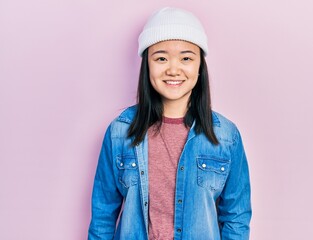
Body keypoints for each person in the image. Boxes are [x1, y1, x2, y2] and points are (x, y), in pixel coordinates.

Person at [88, 7, 252, 240]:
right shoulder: (119, 132)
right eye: (161, 58)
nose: (173, 69)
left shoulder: (226, 136)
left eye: (186, 58)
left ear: (199, 66)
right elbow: (103, 214)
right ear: (147, 64)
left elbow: (236, 217)